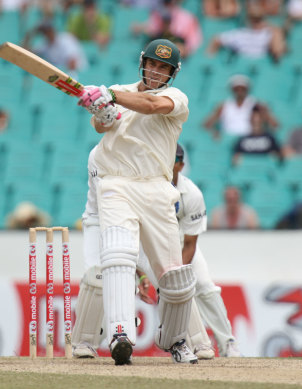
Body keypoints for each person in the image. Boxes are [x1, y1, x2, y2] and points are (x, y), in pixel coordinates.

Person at [77, 38, 197, 365]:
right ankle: (120, 333)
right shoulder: (118, 89)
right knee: (118, 252)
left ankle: (175, 340)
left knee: (174, 275)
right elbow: (102, 125)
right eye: (153, 65)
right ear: (142, 62)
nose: (157, 72)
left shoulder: (175, 97)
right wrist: (99, 109)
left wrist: (111, 96)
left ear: (173, 73)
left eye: (164, 68)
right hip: (116, 181)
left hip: (156, 187)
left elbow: (152, 106)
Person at [71, 145, 241, 361]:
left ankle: (197, 343)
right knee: (99, 275)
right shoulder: (99, 155)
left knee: (174, 277)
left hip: (147, 221)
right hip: (103, 219)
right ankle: (87, 342)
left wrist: (158, 276)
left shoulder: (152, 153)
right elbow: (112, 206)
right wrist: (138, 272)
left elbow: (187, 242)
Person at [137, 144, 242, 358]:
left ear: (181, 165)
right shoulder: (146, 189)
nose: (168, 163)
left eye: (173, 160)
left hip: (182, 245)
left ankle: (228, 343)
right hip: (151, 248)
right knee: (176, 292)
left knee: (204, 286)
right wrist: (142, 274)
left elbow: (190, 244)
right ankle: (198, 344)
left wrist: (178, 271)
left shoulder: (192, 194)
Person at [203, 74, 278, 138]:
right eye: (237, 89)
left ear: (247, 89)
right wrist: (215, 133)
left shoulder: (257, 104)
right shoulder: (224, 106)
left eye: (242, 89)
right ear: (232, 90)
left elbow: (274, 124)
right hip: (227, 139)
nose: (240, 91)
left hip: (248, 140)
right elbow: (207, 124)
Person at [207, 3, 286, 62]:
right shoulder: (240, 33)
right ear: (249, 19)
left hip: (262, 69)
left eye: (259, 19)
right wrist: (210, 59)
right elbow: (216, 39)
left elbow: (278, 51)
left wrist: (270, 27)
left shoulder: (269, 33)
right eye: (253, 19)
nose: (256, 22)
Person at [132, 0, 202, 56]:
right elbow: (150, 28)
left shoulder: (188, 18)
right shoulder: (158, 13)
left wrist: (183, 49)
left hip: (179, 59)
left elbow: (194, 43)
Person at [22, 22, 88, 77]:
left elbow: (73, 62)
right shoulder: (45, 45)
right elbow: (27, 53)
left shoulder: (66, 39)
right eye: (45, 32)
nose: (47, 34)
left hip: (77, 74)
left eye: (48, 31)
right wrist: (32, 33)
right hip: (59, 77)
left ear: (53, 30)